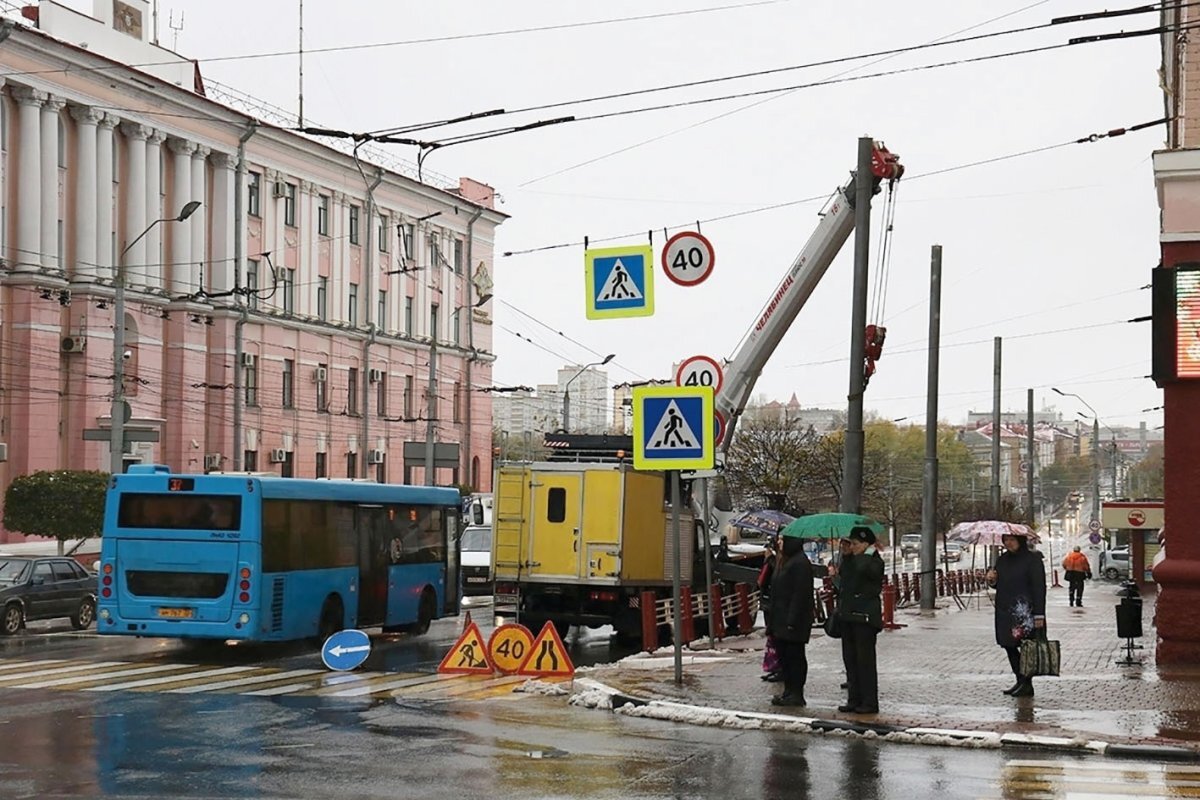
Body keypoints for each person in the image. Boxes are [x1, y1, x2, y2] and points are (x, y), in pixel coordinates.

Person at [985, 532, 1047, 698]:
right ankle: (1020, 679)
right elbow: (998, 584)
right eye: (1005, 540)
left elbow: (1039, 587)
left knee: (1027, 648)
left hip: (1025, 612)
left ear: (1020, 540)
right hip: (1005, 611)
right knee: (1008, 645)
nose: (1008, 543)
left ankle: (1027, 683)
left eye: (1012, 540)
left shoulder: (1032, 560)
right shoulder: (1002, 560)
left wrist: (1039, 614)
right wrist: (992, 579)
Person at [833, 527, 884, 714]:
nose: (851, 547)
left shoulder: (874, 560)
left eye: (855, 544)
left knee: (865, 662)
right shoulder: (852, 560)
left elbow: (867, 574)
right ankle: (854, 699)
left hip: (865, 619)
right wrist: (845, 557)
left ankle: (869, 702)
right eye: (850, 543)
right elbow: (846, 581)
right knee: (850, 660)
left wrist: (857, 557)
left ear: (865, 544)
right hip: (848, 617)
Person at [768, 536, 815, 706]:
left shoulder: (800, 563)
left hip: (793, 622)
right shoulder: (785, 561)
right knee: (785, 658)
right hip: (780, 620)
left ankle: (796, 693)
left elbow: (799, 595)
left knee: (795, 658)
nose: (779, 542)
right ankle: (788, 691)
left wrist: (792, 620)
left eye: (782, 539)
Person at [758, 536, 782, 682]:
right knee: (772, 638)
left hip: (772, 603)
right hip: (770, 603)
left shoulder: (775, 562)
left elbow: (761, 581)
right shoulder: (778, 561)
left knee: (775, 638)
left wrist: (768, 560)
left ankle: (777, 667)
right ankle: (773, 666)